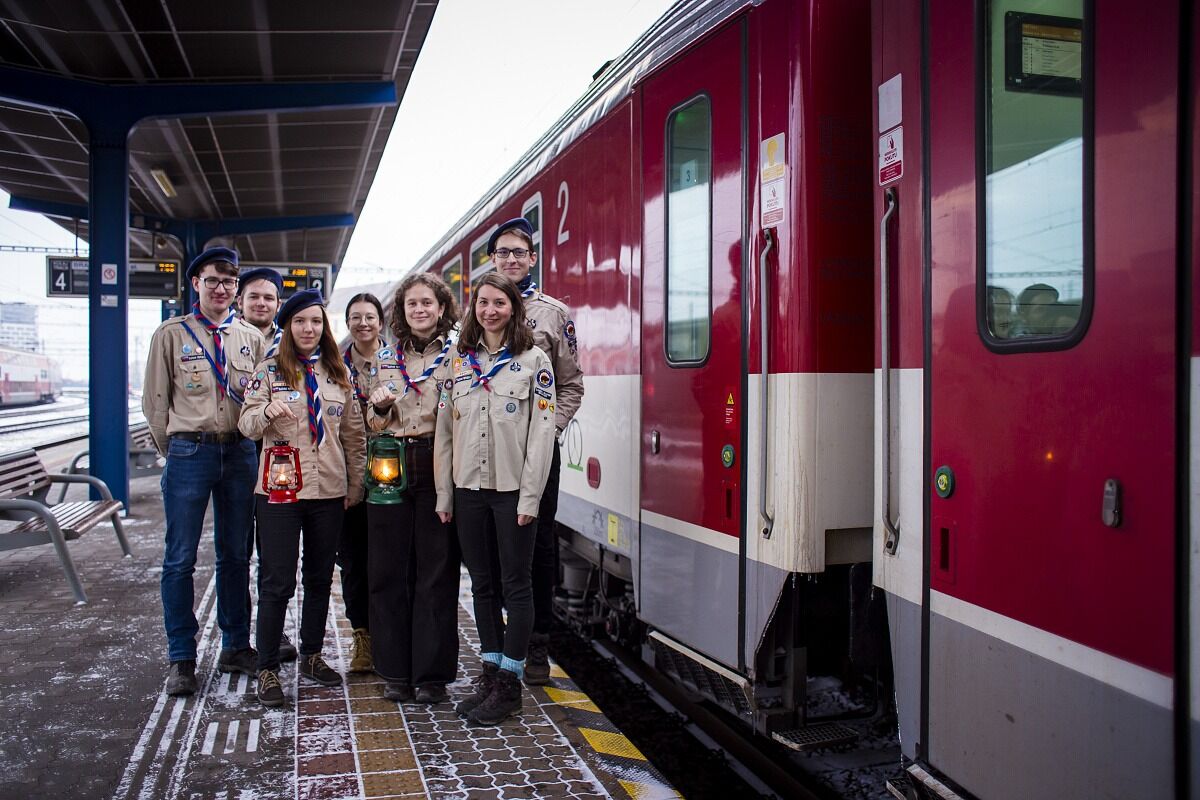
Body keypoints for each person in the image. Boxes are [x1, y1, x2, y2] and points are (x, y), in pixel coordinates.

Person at [435, 272, 556, 725]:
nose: (490, 310)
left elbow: (542, 434)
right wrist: (445, 494)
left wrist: (530, 498)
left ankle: (509, 685)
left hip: (512, 493)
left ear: (513, 308)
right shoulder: (458, 359)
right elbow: (445, 431)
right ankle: (490, 676)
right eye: (483, 302)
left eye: (499, 303)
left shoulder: (534, 359)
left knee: (516, 585)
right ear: (474, 308)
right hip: (468, 490)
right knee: (482, 585)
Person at [142, 246, 263, 696]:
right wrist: (175, 450)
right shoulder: (171, 335)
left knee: (236, 554)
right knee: (180, 558)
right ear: (196, 283)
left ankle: (236, 645)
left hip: (239, 452)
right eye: (213, 280)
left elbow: (260, 396)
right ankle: (182, 658)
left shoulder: (250, 337)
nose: (221, 289)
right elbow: (155, 403)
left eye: (229, 282)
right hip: (190, 452)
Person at [238, 289, 366, 708]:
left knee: (318, 578)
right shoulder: (268, 371)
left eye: (315, 321)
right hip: (279, 494)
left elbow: (353, 436)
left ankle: (312, 654)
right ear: (287, 327)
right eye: (299, 321)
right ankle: (268, 667)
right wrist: (265, 412)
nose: (308, 328)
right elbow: (245, 424)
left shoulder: (337, 374)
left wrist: (355, 485)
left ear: (323, 327)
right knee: (276, 581)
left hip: (328, 491)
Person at [486, 217, 585, 684]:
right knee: (492, 547)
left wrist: (548, 432)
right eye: (502, 252)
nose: (511, 259)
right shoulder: (478, 312)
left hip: (537, 455)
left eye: (518, 252)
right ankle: (497, 646)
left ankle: (538, 644)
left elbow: (571, 386)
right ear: (492, 259)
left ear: (532, 258)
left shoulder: (553, 315)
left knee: (539, 547)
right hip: (488, 453)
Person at [366, 275, 462, 704]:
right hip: (391, 462)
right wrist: (379, 407)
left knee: (436, 570)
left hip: (439, 461)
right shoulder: (385, 357)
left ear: (441, 308)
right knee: (389, 569)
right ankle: (395, 672)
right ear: (402, 312)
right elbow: (373, 422)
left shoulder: (459, 353)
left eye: (427, 302)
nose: (419, 310)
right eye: (411, 304)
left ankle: (432, 675)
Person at [234, 266, 297, 662]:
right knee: (236, 552)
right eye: (254, 296)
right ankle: (237, 639)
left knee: (272, 555)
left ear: (278, 304)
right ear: (240, 301)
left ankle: (272, 633)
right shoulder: (226, 338)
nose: (261, 303)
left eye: (269, 298)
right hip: (238, 452)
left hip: (279, 461)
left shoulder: (291, 341)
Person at [337, 292, 387, 674]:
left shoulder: (398, 362)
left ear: (381, 322)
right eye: (356, 317)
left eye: (370, 316)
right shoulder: (334, 366)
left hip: (393, 473)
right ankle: (363, 637)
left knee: (390, 557)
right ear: (348, 323)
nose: (363, 323)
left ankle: (391, 634)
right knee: (353, 559)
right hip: (348, 472)